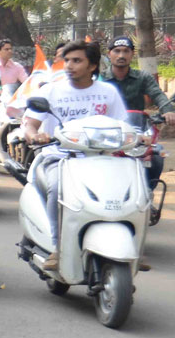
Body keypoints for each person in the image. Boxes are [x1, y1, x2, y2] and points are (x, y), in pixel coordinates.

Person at [22, 41, 128, 271]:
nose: (69, 65)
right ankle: (56, 247)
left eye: (76, 61)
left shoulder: (107, 92)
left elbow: (123, 124)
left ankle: (130, 246)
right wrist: (34, 135)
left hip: (100, 159)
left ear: (93, 65)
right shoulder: (51, 90)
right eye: (67, 60)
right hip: (59, 157)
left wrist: (139, 137)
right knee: (57, 188)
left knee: (129, 187)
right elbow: (30, 124)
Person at [100, 34, 175, 189]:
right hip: (107, 133)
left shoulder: (142, 77)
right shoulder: (100, 79)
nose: (121, 55)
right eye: (117, 51)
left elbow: (158, 95)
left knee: (157, 155)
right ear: (109, 54)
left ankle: (147, 192)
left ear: (132, 54)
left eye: (126, 51)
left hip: (136, 132)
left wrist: (168, 111)